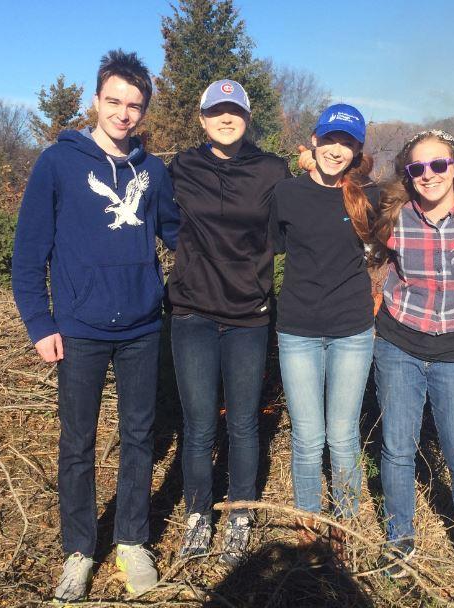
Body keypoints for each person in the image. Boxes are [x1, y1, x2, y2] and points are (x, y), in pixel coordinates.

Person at [11, 50, 180, 601]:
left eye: (134, 105)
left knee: (138, 437)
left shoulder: (152, 171)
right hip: (78, 327)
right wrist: (40, 322)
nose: (124, 114)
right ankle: (80, 550)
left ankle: (132, 539)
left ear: (144, 110)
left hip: (140, 326)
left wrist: (240, 247)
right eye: (114, 102)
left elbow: (178, 234)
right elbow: (29, 252)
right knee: (77, 443)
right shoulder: (56, 163)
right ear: (96, 100)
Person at [370, 129, 454, 599]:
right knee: (398, 449)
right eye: (417, 168)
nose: (428, 175)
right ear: (407, 175)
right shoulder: (395, 217)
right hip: (399, 344)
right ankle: (398, 540)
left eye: (438, 165)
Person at [167, 79, 290, 563]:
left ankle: (238, 514)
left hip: (248, 316)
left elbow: (289, 228)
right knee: (198, 425)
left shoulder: (272, 170)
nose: (225, 118)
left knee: (242, 422)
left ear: (246, 118)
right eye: (216, 111)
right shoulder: (181, 167)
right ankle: (199, 515)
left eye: (233, 111)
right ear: (202, 119)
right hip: (192, 313)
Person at [271, 103, 377, 560]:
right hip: (297, 328)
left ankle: (346, 519)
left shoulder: (367, 197)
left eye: (347, 143)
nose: (337, 149)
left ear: (357, 151)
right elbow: (264, 247)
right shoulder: (286, 194)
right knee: (308, 434)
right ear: (313, 143)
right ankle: (308, 519)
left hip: (352, 329)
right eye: (330, 140)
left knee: (343, 434)